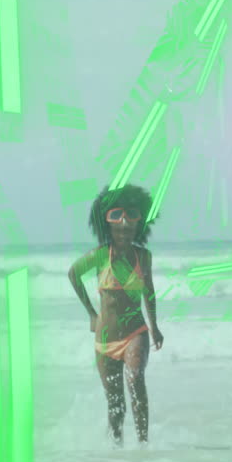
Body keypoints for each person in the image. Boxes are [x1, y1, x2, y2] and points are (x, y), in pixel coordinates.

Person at [68, 184, 165, 446]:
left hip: (136, 332)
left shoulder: (143, 256)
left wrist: (154, 327)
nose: (124, 225)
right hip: (105, 339)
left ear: (139, 225)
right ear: (106, 224)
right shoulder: (100, 257)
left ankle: (144, 445)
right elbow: (73, 274)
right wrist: (91, 313)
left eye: (130, 219)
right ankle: (117, 451)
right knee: (115, 405)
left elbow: (149, 291)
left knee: (135, 379)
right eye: (116, 219)